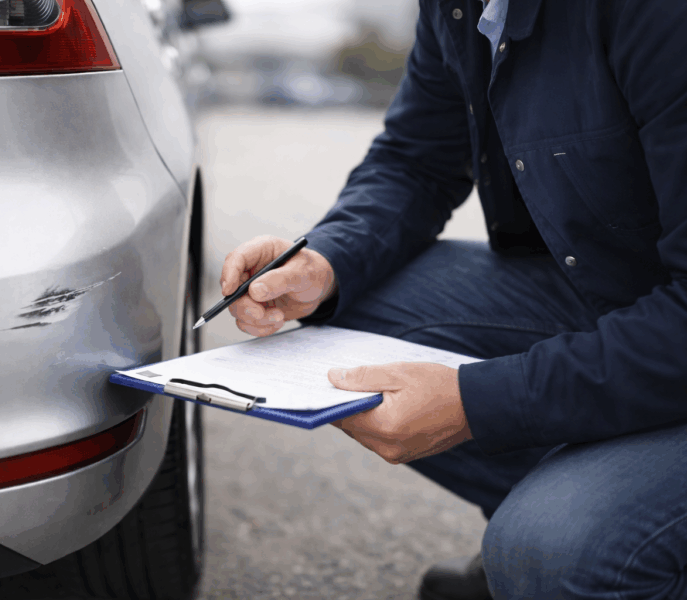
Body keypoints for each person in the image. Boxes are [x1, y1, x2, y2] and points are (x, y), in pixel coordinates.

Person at [218, 0, 687, 598]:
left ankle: (583, 546)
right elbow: (416, 161)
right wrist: (326, 263)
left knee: (551, 549)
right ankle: (573, 521)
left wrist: (478, 403)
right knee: (359, 315)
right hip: (623, 303)